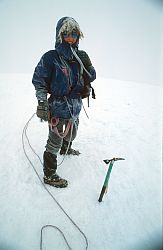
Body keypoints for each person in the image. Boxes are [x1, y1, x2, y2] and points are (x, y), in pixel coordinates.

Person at [32, 17, 96, 188]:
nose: (70, 38)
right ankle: (50, 175)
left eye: (74, 34)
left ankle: (65, 149)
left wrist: (88, 65)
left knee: (72, 134)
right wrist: (42, 102)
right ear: (60, 35)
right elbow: (39, 80)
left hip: (75, 106)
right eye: (66, 34)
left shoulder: (80, 57)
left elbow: (91, 77)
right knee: (54, 140)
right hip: (58, 107)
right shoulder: (50, 57)